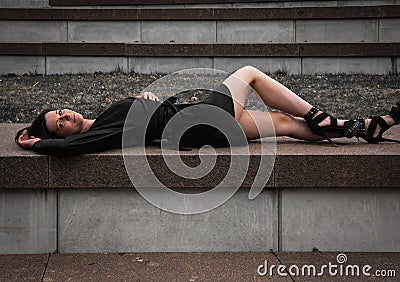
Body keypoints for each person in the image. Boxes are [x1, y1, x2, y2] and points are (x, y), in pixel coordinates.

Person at [15, 66, 400, 156]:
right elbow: (67, 151)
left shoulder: (102, 120)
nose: (65, 117)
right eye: (59, 124)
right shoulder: (93, 135)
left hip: (201, 127)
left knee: (287, 125)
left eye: (60, 112)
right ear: (61, 134)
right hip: (193, 123)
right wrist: (33, 144)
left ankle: (364, 128)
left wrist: (150, 102)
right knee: (248, 74)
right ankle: (322, 116)